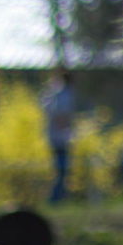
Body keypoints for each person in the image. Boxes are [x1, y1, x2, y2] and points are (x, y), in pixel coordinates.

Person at [42, 70, 75, 203]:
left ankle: (60, 197)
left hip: (54, 136)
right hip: (60, 138)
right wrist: (67, 132)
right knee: (62, 169)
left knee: (60, 169)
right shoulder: (65, 94)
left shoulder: (55, 93)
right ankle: (56, 198)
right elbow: (62, 116)